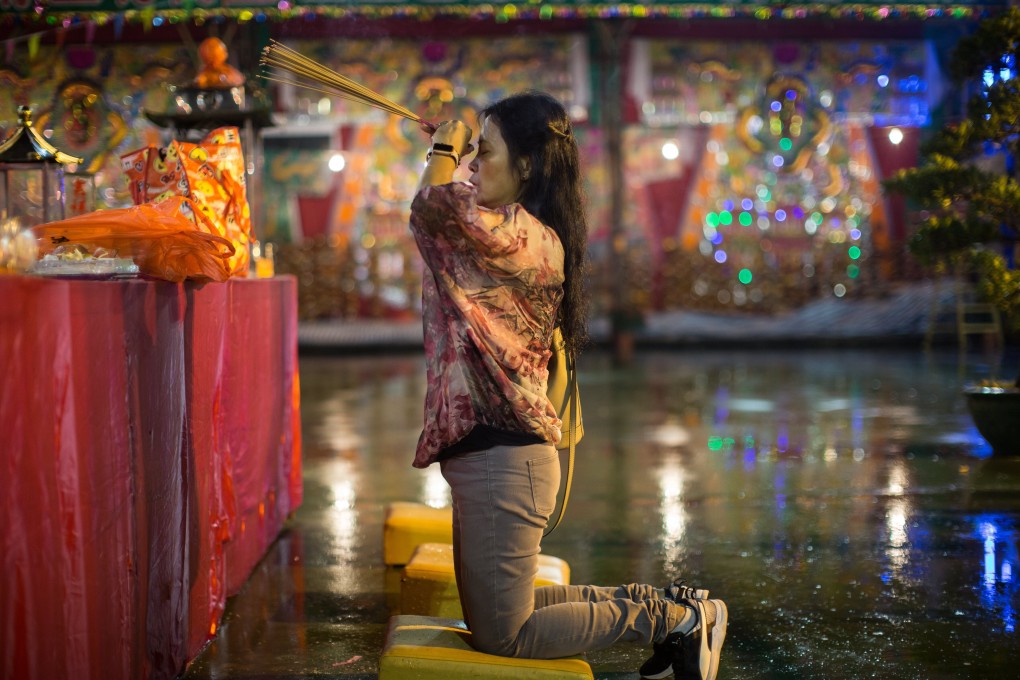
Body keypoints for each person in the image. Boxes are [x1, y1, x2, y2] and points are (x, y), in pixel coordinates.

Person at [408, 90, 728, 680]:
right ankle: (673, 612)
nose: (474, 162)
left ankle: (675, 621)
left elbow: (430, 207)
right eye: (473, 150)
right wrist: (451, 150)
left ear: (526, 166)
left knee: (506, 635)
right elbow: (440, 212)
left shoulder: (526, 240)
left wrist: (442, 147)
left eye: (486, 149)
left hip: (503, 460)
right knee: (501, 619)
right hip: (495, 459)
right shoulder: (502, 232)